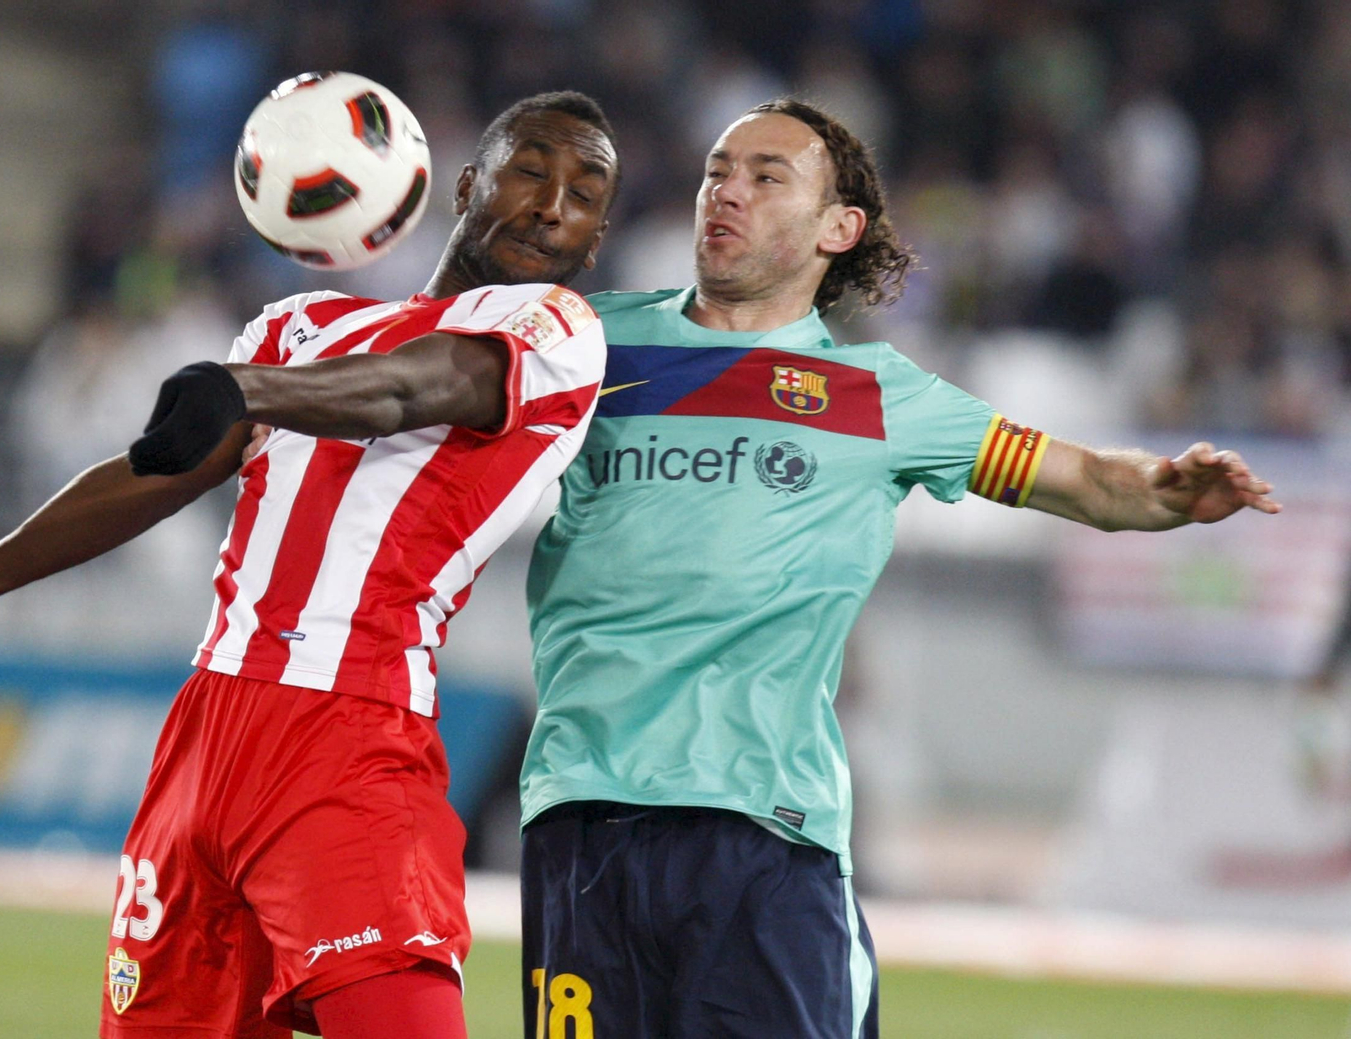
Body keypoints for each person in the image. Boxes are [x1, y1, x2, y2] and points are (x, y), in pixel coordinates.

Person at [511, 99, 1279, 1039]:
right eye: (718, 171)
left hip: (761, 831)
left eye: (766, 176)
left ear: (839, 228)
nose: (727, 192)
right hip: (581, 816)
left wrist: (1166, 489)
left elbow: (1082, 479)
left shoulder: (878, 398)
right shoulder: (589, 343)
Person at [0, 90, 619, 1039]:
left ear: (596, 241)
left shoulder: (557, 332)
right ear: (467, 185)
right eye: (531, 172)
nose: (551, 205)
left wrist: (246, 388)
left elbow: (416, 388)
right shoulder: (299, 325)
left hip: (349, 729)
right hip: (204, 735)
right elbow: (160, 470)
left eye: (584, 195)